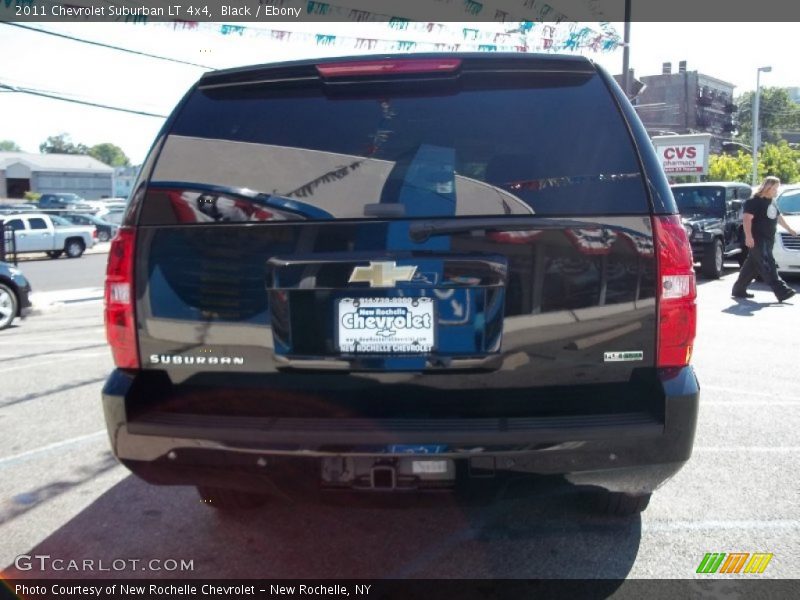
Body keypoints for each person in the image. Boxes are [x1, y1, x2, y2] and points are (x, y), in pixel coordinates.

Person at [731, 176, 798, 301]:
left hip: (769, 239)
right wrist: (749, 237)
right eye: (775, 188)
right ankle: (782, 291)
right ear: (768, 187)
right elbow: (746, 219)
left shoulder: (772, 201)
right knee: (768, 264)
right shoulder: (753, 201)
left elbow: (778, 217)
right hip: (758, 240)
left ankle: (738, 289)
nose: (776, 191)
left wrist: (790, 230)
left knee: (752, 265)